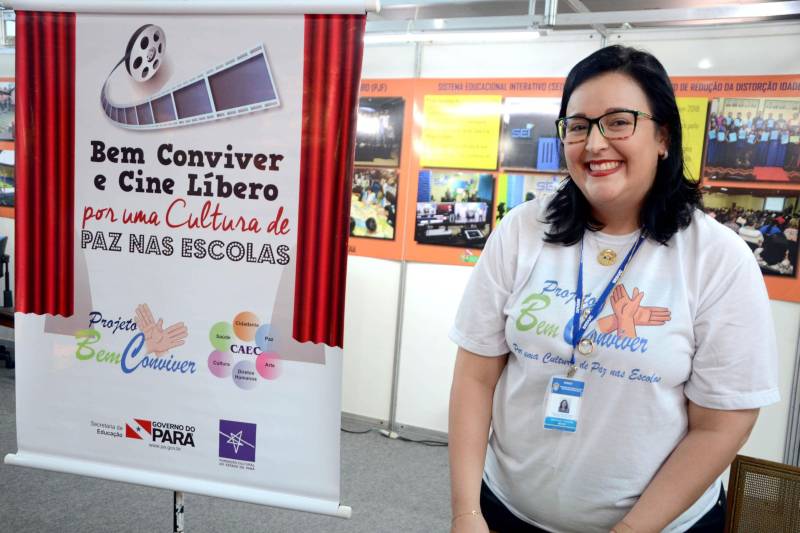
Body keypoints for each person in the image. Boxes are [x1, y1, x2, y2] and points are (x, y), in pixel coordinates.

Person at [448, 45, 778, 533]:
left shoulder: (717, 258)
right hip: (506, 511)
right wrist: (466, 511)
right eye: (578, 126)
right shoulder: (522, 231)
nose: (595, 143)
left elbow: (722, 425)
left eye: (619, 122)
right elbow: (476, 377)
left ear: (663, 136)